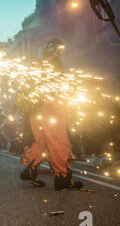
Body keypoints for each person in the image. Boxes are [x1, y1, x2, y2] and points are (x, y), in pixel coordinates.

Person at [19, 39, 83, 191]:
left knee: (41, 142)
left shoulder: (37, 64)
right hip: (51, 106)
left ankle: (30, 171)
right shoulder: (54, 64)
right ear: (57, 49)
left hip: (35, 109)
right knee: (59, 141)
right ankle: (63, 178)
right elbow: (61, 87)